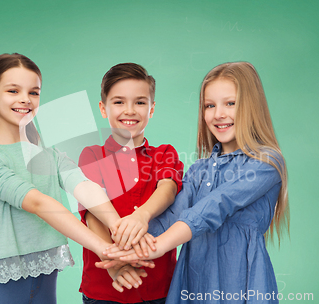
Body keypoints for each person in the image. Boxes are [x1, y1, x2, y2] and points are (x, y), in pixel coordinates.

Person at [103, 62, 289, 304]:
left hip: (240, 283)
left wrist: (157, 247)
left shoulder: (267, 162)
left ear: (251, 106)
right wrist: (126, 245)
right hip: (194, 281)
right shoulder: (198, 169)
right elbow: (172, 216)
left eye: (230, 103)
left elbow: (214, 206)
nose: (218, 114)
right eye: (209, 106)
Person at [0, 53, 126, 304]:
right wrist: (103, 248)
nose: (25, 99)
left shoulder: (48, 154)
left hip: (44, 274)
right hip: (1, 282)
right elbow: (39, 204)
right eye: (12, 90)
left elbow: (84, 186)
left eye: (34, 92)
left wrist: (119, 228)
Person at [78, 63, 184, 303]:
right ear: (103, 109)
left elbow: (167, 188)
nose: (130, 110)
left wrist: (141, 216)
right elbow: (92, 212)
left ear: (152, 108)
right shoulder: (92, 155)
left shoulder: (165, 153)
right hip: (104, 287)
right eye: (118, 102)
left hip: (160, 286)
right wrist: (113, 264)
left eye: (140, 102)